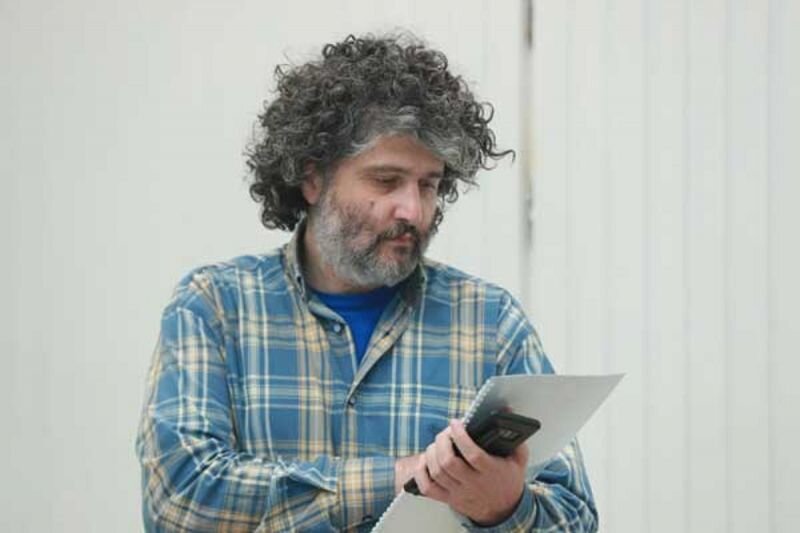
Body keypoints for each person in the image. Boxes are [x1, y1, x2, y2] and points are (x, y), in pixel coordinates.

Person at [136, 33, 597, 532]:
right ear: (313, 179)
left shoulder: (489, 321)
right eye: (386, 181)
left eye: (428, 185)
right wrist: (401, 478)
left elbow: (573, 518)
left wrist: (504, 508)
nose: (413, 210)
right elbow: (179, 502)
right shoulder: (215, 308)